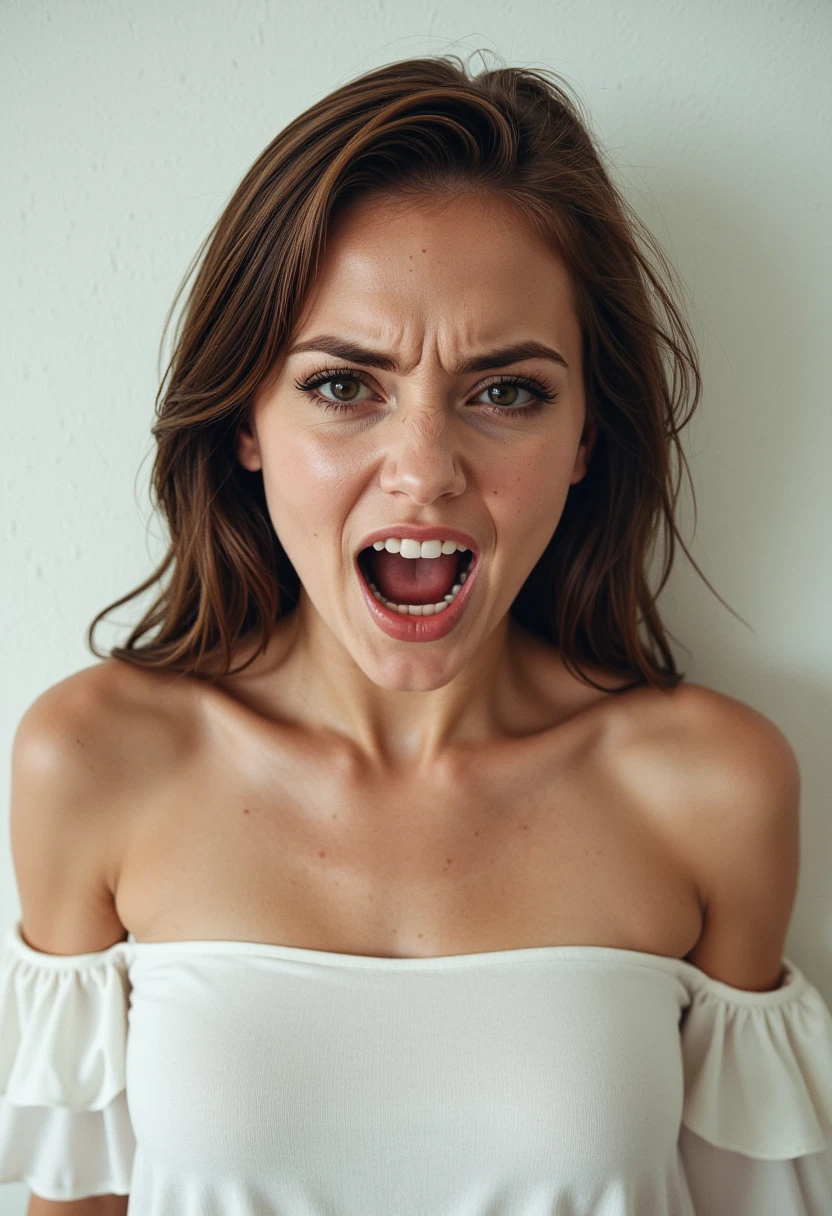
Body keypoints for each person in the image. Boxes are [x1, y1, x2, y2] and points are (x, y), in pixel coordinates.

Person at [1, 53, 830, 1216]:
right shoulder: (91, 762)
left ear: (588, 437)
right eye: (346, 385)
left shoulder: (711, 787)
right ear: (246, 420)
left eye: (506, 392)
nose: (425, 471)